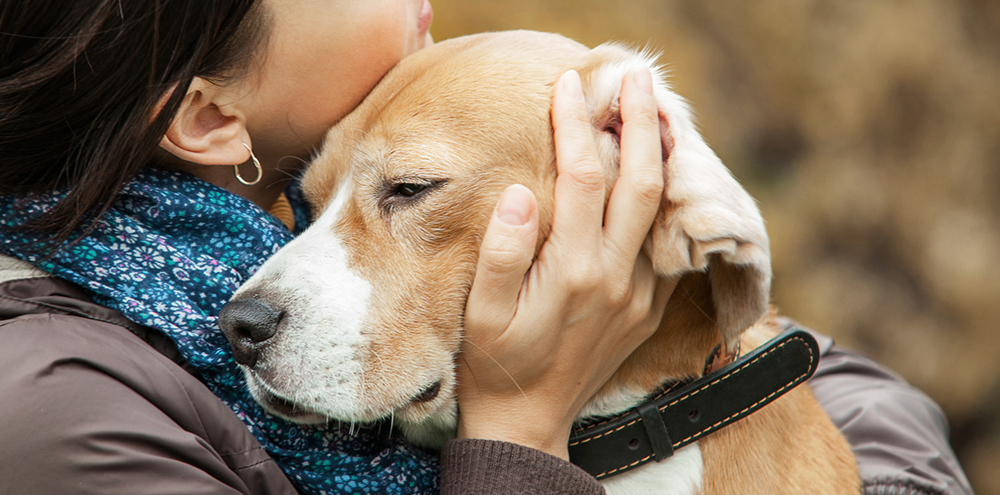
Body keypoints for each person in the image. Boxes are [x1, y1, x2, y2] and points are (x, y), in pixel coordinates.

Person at [0, 1, 973, 494]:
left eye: (403, 192)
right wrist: (517, 426)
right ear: (210, 117)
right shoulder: (55, 416)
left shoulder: (281, 209)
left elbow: (822, 383)